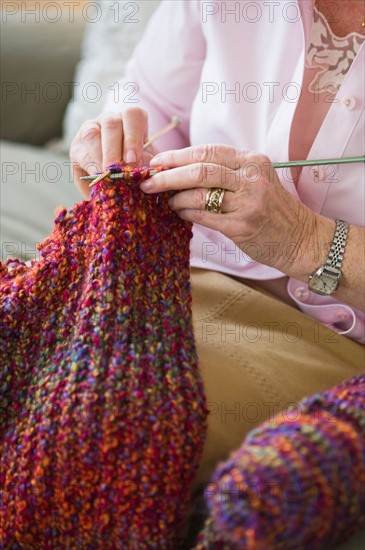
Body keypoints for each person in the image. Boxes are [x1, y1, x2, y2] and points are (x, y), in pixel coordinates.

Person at [70, 0, 365, 484]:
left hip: (335, 337)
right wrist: (115, 147)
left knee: (110, 421)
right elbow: (152, 101)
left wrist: (308, 242)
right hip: (180, 273)